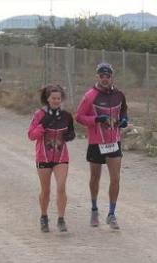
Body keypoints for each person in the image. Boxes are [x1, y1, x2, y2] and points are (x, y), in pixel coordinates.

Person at [75, 63, 128, 230]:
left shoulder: (119, 95)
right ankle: (94, 209)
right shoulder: (90, 96)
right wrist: (95, 120)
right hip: (96, 142)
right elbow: (79, 116)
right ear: (97, 77)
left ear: (112, 77)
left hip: (113, 141)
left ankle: (112, 214)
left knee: (116, 178)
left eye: (108, 76)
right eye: (101, 76)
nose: (105, 79)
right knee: (95, 178)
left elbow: (124, 112)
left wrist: (124, 121)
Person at [27, 85, 76, 233]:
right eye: (53, 98)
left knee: (61, 188)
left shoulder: (66, 116)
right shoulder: (39, 115)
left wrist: (70, 136)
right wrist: (42, 126)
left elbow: (71, 132)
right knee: (46, 190)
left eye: (58, 99)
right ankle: (43, 217)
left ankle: (61, 219)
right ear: (47, 99)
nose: (56, 101)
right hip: (43, 156)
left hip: (61, 156)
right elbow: (31, 135)